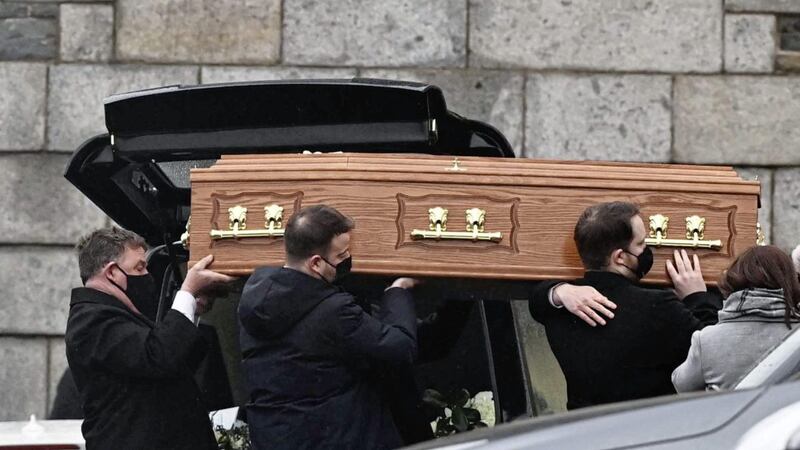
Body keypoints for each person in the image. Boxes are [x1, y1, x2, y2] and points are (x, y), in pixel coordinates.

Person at [238, 204, 419, 450]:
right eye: (342, 256)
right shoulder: (333, 311)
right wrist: (398, 291)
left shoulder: (252, 301)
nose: (348, 261)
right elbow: (400, 347)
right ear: (315, 263)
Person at [529, 201, 721, 410]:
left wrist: (558, 291)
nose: (649, 249)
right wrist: (697, 297)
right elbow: (714, 353)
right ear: (620, 257)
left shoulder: (562, 308)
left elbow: (537, 301)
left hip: (583, 432)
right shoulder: (658, 307)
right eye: (641, 244)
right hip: (647, 431)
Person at [65, 227, 234, 450]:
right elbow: (159, 356)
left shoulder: (118, 315)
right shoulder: (90, 321)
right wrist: (187, 292)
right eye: (140, 267)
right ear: (112, 272)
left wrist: (194, 307)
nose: (147, 275)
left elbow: (173, 365)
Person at [672, 245, 800, 391]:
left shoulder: (706, 340)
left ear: (733, 278)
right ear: (791, 280)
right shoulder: (797, 336)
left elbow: (681, 385)